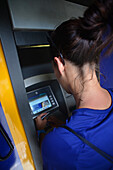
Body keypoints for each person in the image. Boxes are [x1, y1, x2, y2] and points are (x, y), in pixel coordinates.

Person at [35, 0, 113, 169]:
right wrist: (66, 129)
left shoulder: (59, 143)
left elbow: (55, 151)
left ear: (60, 64)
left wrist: (41, 131)